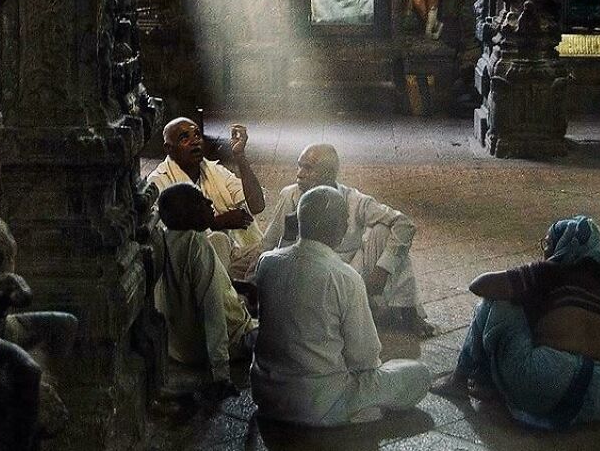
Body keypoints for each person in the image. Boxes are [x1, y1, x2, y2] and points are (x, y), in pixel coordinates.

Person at [251, 185, 430, 425]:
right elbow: (364, 357)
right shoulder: (344, 277)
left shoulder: (267, 263)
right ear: (339, 229)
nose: (347, 225)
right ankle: (356, 409)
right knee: (418, 374)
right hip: (319, 403)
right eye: (345, 221)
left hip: (266, 395)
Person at [432, 216, 600, 429]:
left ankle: (461, 379)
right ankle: (492, 384)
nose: (544, 250)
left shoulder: (550, 272)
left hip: (544, 384)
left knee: (498, 300)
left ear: (560, 246)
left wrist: (529, 278)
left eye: (548, 243)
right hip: (597, 396)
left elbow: (479, 285)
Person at [260, 143, 431, 336]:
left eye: (308, 168)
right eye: (299, 166)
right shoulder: (290, 196)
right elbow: (271, 243)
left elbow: (404, 224)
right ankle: (355, 313)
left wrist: (383, 269)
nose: (299, 174)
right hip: (308, 275)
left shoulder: (354, 200)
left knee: (385, 232)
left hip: (350, 272)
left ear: (329, 174)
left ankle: (408, 311)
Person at [156, 184, 258, 400]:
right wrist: (220, 374)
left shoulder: (166, 239)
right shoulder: (196, 243)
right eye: (201, 201)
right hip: (229, 343)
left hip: (181, 350)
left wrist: (241, 287)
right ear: (187, 213)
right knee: (285, 332)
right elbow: (212, 310)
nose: (210, 203)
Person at [147, 117, 264, 277]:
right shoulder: (158, 181)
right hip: (191, 268)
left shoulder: (214, 171)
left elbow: (257, 205)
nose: (194, 141)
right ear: (169, 148)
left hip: (232, 253)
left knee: (269, 253)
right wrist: (216, 223)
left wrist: (240, 156)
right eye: (184, 138)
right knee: (218, 241)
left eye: (197, 135)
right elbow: (169, 241)